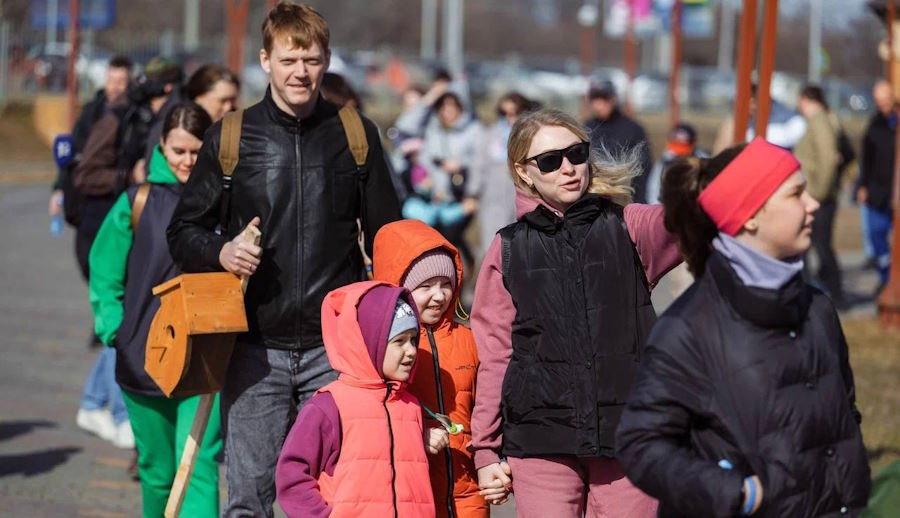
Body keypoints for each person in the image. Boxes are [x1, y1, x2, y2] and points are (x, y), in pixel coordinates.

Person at [166, 4, 401, 515]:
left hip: (336, 352)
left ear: (327, 61)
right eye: (289, 60)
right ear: (265, 60)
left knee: (337, 499)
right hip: (253, 351)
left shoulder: (356, 136)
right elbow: (182, 232)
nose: (301, 72)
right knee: (249, 501)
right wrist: (222, 251)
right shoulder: (231, 137)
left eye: (311, 60)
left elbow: (390, 238)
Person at [616, 137, 871, 516]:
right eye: (796, 194)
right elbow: (641, 444)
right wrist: (737, 493)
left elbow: (843, 414)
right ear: (749, 216)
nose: (813, 203)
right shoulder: (687, 328)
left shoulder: (817, 308)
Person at [470, 108, 682, 517]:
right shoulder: (507, 248)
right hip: (540, 439)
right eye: (550, 161)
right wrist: (485, 449)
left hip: (629, 433)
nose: (568, 168)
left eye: (577, 153)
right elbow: (494, 356)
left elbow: (697, 218)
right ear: (523, 172)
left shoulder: (631, 226)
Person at [89, 103, 221, 517]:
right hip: (144, 359)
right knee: (159, 473)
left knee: (197, 467)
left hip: (206, 360)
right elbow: (104, 273)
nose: (187, 161)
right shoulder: (137, 201)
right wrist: (117, 332)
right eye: (178, 151)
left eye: (197, 151)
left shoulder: (224, 201)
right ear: (161, 146)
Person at [73, 59, 178, 449]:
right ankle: (116, 413)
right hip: (109, 225)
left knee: (132, 321)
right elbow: (83, 173)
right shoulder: (116, 118)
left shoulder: (154, 121)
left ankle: (93, 401)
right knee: (127, 322)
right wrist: (126, 177)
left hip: (136, 226)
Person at [276, 281, 436, 518]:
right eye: (399, 341)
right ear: (368, 343)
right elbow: (292, 475)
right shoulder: (329, 405)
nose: (411, 351)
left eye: (413, 339)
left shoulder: (410, 406)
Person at [373, 219, 486, 518]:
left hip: (470, 494)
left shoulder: (469, 339)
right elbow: (373, 418)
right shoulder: (384, 349)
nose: (439, 296)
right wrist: (416, 435)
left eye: (446, 284)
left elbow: (489, 407)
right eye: (425, 286)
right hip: (413, 496)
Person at [403, 90, 482, 267]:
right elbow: (406, 126)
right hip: (436, 199)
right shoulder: (432, 129)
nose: (448, 110)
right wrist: (430, 96)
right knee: (437, 243)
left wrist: (462, 166)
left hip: (462, 196)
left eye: (453, 106)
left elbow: (480, 161)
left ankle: (464, 269)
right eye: (444, 106)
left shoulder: (474, 130)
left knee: (453, 239)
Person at [794, 85, 846, 306]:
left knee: (821, 247)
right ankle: (811, 290)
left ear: (806, 99)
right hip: (816, 194)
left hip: (819, 196)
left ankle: (837, 295)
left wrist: (819, 193)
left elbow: (827, 159)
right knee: (811, 246)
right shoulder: (817, 121)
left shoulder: (819, 121)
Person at [470, 92, 534, 259]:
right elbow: (478, 164)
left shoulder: (531, 136)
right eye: (504, 113)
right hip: (492, 198)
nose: (508, 118)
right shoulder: (489, 134)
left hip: (522, 197)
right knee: (492, 245)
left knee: (520, 246)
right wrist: (472, 193)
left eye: (514, 113)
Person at [584, 79, 653, 203]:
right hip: (594, 197)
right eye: (595, 99)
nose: (599, 104)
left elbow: (644, 167)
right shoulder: (587, 128)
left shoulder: (632, 129)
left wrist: (637, 202)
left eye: (604, 99)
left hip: (626, 195)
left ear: (613, 99)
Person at [858, 79, 896, 291]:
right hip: (878, 190)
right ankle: (885, 279)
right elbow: (867, 159)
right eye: (879, 101)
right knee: (876, 233)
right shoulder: (874, 124)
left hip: (895, 190)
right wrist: (863, 185)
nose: (883, 105)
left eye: (886, 100)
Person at [713, 84, 807, 154]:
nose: (750, 108)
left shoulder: (787, 119)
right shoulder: (735, 121)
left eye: (752, 103)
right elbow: (722, 147)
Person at [646, 122, 708, 205]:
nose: (678, 154)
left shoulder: (704, 161)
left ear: (693, 144)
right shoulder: (664, 162)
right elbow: (653, 191)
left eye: (683, 148)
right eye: (675, 147)